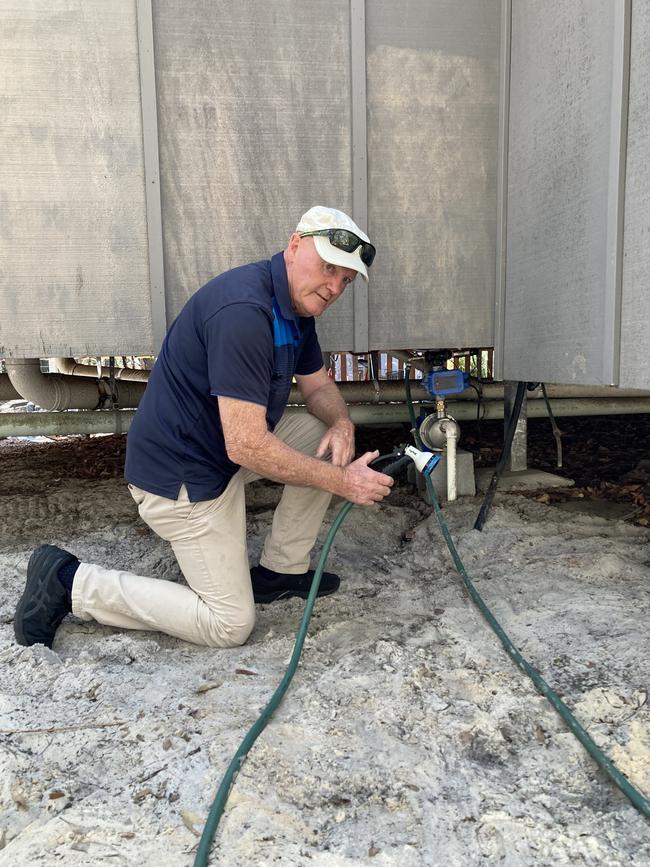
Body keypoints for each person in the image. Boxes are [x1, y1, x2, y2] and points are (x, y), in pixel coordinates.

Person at [14, 206, 394, 650]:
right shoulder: (245, 312)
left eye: (345, 280)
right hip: (181, 479)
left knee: (320, 437)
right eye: (329, 267)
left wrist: (343, 421)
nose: (334, 286)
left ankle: (280, 572)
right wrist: (343, 482)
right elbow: (248, 446)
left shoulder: (294, 306)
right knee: (229, 625)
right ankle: (69, 582)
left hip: (219, 456)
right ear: (294, 246)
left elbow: (317, 386)